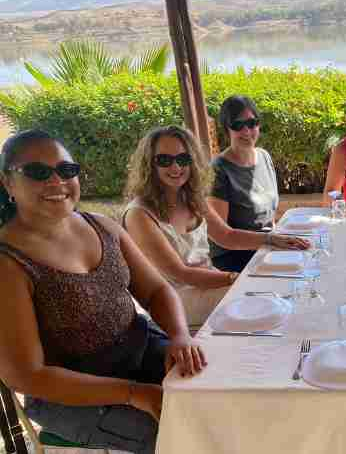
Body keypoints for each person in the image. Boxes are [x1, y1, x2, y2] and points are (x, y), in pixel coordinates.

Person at [0, 130, 206, 454]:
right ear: (7, 183)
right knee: (182, 434)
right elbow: (26, 376)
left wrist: (180, 335)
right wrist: (135, 393)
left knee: (216, 393)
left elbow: (156, 290)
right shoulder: (9, 263)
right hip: (73, 394)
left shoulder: (100, 225)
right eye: (38, 172)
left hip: (140, 347)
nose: (57, 181)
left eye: (66, 170)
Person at [123, 126, 308, 327]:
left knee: (279, 288)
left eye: (183, 159)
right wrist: (235, 278)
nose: (176, 168)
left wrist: (272, 239)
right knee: (266, 300)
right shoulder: (139, 214)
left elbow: (227, 236)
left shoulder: (191, 199)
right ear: (149, 165)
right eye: (164, 160)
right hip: (174, 301)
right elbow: (181, 273)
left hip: (207, 284)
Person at [208, 95, 284, 272]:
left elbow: (269, 219)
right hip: (235, 260)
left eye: (251, 123)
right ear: (227, 129)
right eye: (237, 125)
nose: (246, 131)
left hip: (266, 250)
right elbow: (222, 237)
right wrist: (271, 242)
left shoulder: (264, 157)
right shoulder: (218, 170)